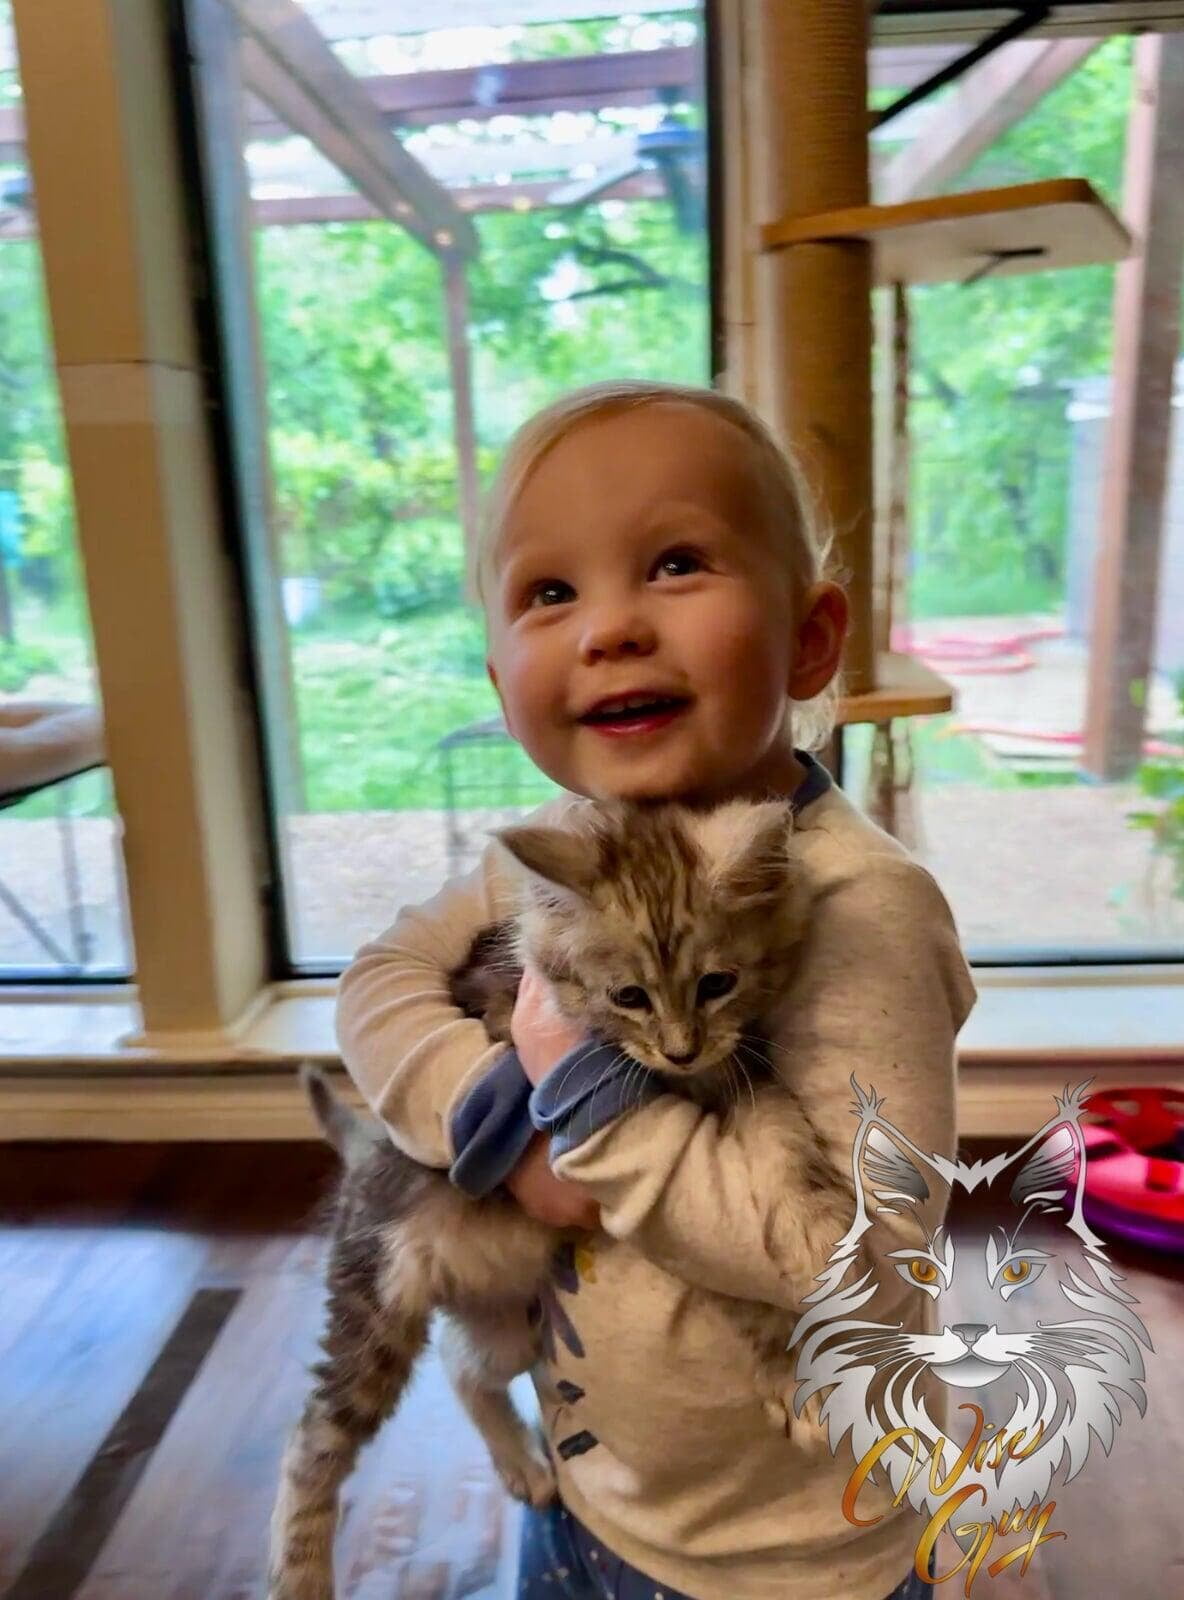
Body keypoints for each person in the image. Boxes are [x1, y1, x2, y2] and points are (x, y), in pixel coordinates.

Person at [336, 378, 977, 1600]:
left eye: (677, 563)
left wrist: (592, 1109)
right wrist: (502, 1125)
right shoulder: (558, 848)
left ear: (810, 637)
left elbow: (870, 1264)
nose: (611, 627)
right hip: (592, 1487)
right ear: (498, 673)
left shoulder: (862, 912)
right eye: (550, 592)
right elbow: (379, 979)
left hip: (786, 1549)